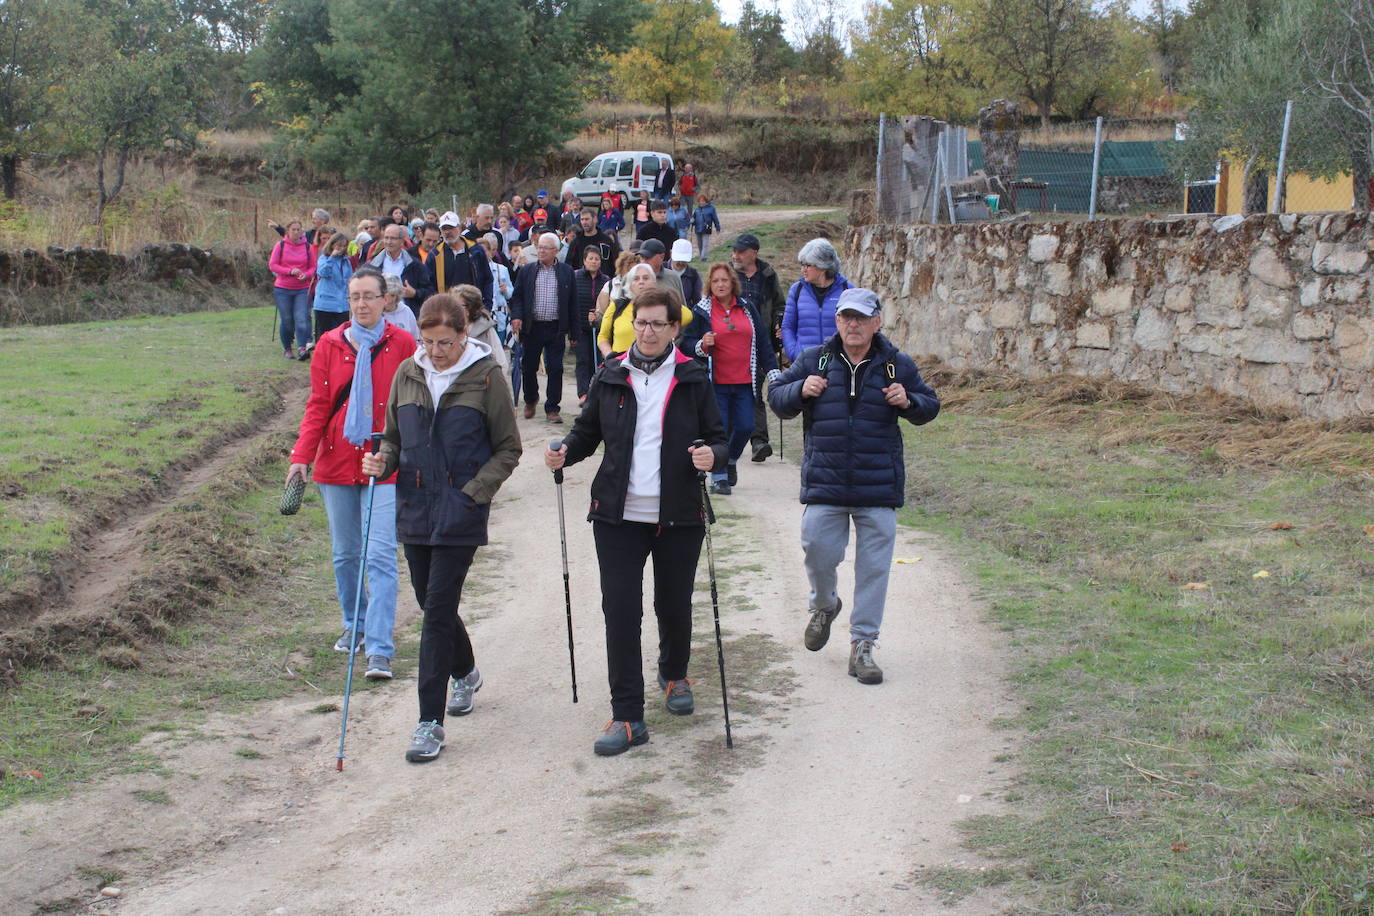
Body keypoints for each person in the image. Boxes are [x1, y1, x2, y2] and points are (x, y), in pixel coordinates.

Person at [544, 288, 726, 756]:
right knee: (621, 612)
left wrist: (712, 455)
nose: (647, 332)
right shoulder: (611, 373)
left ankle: (674, 673)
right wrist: (565, 450)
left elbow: (720, 439)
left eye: (657, 325)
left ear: (673, 329)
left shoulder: (691, 376)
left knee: (674, 602)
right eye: (640, 323)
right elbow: (588, 431)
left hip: (679, 513)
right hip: (617, 516)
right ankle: (627, 715)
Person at [360, 293, 521, 762]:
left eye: (445, 343)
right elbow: (391, 437)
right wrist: (381, 460)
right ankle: (466, 670)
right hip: (412, 505)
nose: (435, 352)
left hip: (460, 510)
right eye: (428, 342)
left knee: (435, 612)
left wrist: (473, 493)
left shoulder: (486, 376)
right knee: (430, 600)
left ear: (464, 334)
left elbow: (508, 449)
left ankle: (429, 722)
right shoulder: (407, 372)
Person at [767, 288, 940, 684]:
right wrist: (799, 390)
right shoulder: (816, 359)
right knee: (816, 549)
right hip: (826, 484)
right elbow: (776, 398)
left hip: (877, 487)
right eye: (846, 317)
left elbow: (930, 405)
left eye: (861, 318)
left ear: (876, 322)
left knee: (874, 570)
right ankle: (825, 606)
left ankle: (863, 645)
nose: (853, 324)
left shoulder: (896, 364)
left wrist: (908, 401)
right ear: (837, 321)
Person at [288, 267, 414, 681]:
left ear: (385, 300)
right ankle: (354, 624)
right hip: (335, 462)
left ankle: (379, 648)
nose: (362, 304)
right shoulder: (327, 344)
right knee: (345, 554)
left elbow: (413, 405)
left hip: (384, 464)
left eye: (369, 296)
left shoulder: (404, 344)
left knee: (379, 555)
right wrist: (300, 458)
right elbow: (319, 405)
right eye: (355, 297)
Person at [682, 263, 776, 495]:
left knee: (746, 426)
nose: (721, 284)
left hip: (745, 380)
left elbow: (762, 341)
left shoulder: (747, 308)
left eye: (724, 280)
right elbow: (685, 343)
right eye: (715, 281)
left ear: (732, 282)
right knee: (720, 429)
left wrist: (773, 371)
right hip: (715, 383)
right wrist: (702, 344)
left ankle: (731, 459)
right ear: (709, 286)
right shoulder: (702, 311)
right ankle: (720, 476)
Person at [509, 231, 577, 423]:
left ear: (555, 251)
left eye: (545, 248)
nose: (541, 251)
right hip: (533, 327)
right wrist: (516, 317)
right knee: (528, 367)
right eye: (539, 247)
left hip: (556, 328)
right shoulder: (528, 271)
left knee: (555, 368)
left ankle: (552, 408)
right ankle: (531, 399)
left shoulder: (566, 272)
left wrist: (574, 332)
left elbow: (572, 303)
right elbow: (518, 298)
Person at [731, 233, 786, 462]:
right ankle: (729, 439)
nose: (736, 256)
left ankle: (759, 441)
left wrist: (779, 322)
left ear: (754, 253)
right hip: (732, 343)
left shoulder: (768, 274)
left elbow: (779, 304)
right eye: (734, 251)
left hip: (760, 343)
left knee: (755, 391)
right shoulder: (727, 275)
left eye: (741, 252)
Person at [598, 263, 692, 357]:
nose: (641, 282)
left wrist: (660, 298)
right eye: (636, 279)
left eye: (646, 278)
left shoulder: (664, 306)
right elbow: (603, 337)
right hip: (620, 365)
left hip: (656, 364)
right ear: (630, 285)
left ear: (654, 283)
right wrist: (610, 356)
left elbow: (687, 316)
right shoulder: (617, 306)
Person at [782, 238, 851, 364]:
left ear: (822, 266)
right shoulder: (796, 290)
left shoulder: (848, 290)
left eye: (807, 265)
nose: (803, 269)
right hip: (805, 364)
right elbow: (787, 327)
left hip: (838, 365)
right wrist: (793, 353)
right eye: (802, 265)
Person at [268, 219, 317, 360]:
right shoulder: (281, 246)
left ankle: (302, 347)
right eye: (293, 230)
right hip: (283, 288)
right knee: (287, 320)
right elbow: (273, 265)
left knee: (301, 318)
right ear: (288, 231)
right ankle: (287, 348)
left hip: (302, 288)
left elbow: (313, 267)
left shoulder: (307, 247)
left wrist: (306, 275)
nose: (296, 232)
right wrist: (290, 271)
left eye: (299, 230)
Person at [429, 212, 494, 308]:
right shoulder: (435, 254)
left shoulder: (475, 250)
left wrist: (487, 307)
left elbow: (488, 279)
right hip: (447, 310)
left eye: (451, 228)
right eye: (444, 229)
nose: (447, 232)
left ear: (459, 228)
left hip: (473, 308)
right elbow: (429, 285)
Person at [368, 224, 431, 318]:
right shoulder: (372, 266)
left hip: (406, 317)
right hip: (380, 317)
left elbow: (430, 291)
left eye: (393, 238)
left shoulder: (415, 265)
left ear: (402, 241)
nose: (389, 242)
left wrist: (415, 293)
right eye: (386, 238)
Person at [573, 246, 610, 403]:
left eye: (597, 259)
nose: (594, 262)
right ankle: (583, 393)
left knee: (599, 360)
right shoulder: (575, 277)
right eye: (591, 258)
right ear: (584, 261)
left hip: (599, 327)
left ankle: (597, 391)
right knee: (583, 360)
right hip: (580, 326)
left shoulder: (606, 281)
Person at [451, 282, 509, 370]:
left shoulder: (485, 329)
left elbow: (501, 362)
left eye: (457, 306)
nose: (452, 309)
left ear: (470, 308)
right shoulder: (449, 329)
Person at [314, 231, 353, 339]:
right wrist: (332, 258)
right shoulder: (324, 258)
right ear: (332, 245)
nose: (342, 248)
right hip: (325, 304)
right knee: (323, 337)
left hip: (342, 305)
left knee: (342, 336)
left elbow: (349, 279)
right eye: (339, 245)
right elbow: (322, 272)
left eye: (344, 246)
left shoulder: (346, 261)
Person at [566, 209, 621, 274]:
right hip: (582, 281)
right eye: (582, 219)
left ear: (595, 219)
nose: (584, 222)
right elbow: (569, 264)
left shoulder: (606, 240)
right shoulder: (576, 241)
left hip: (603, 280)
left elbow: (615, 262)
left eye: (587, 219)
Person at [635, 238, 685, 305]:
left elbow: (682, 306)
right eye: (641, 257)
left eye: (647, 257)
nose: (643, 261)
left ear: (661, 257)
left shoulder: (673, 277)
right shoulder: (632, 278)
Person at [382, 274, 421, 341]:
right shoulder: (376, 313)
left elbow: (416, 338)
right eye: (384, 296)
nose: (389, 301)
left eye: (392, 295)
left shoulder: (406, 311)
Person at [671, 239, 701, 308]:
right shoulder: (662, 270)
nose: (681, 263)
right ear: (671, 253)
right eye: (678, 260)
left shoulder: (693, 275)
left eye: (684, 261)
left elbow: (697, 299)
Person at [692, 193, 721, 261]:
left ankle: (703, 257)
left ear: (706, 201)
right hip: (698, 228)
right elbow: (694, 218)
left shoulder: (711, 208)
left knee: (705, 244)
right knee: (699, 244)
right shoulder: (697, 210)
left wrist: (718, 228)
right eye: (700, 201)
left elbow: (715, 219)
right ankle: (702, 256)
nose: (701, 202)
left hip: (706, 228)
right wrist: (692, 222)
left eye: (703, 201)